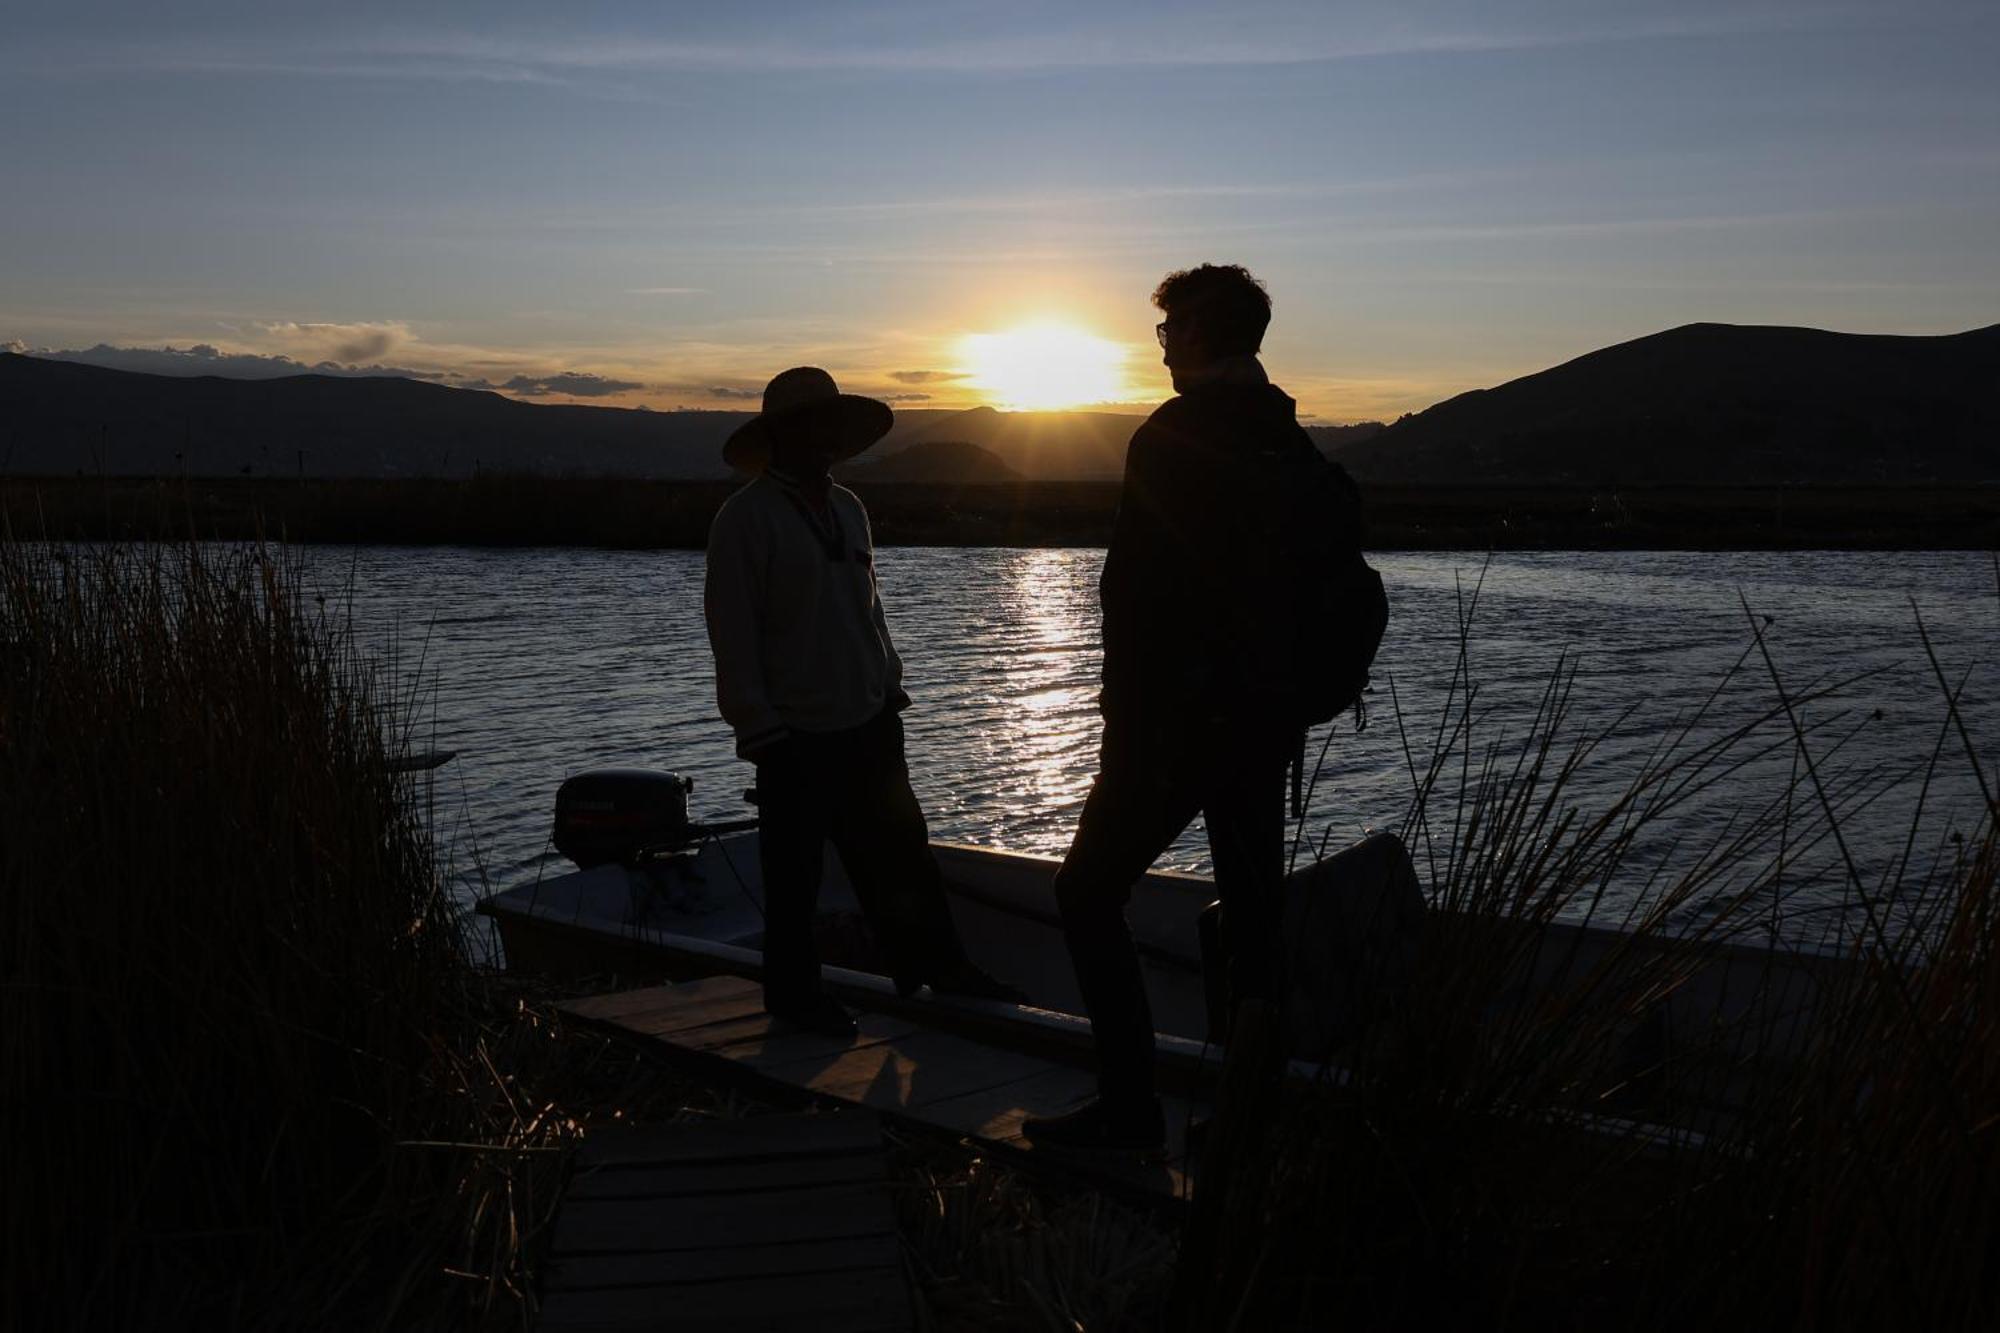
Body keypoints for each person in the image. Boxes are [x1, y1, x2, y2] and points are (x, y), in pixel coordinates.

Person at [1022, 264, 1307, 1154]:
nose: (1163, 346)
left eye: (1169, 329)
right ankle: (1250, 1119)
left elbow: (1139, 593)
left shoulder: (1173, 434)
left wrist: (1123, 722)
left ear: (1198, 335)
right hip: (1266, 721)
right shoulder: (1286, 431)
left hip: (1178, 724)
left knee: (1085, 890)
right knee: (1255, 914)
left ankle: (1130, 1107)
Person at [704, 366, 1021, 1038]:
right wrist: (757, 725)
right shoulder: (744, 520)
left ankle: (938, 970)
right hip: (791, 732)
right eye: (811, 426)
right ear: (783, 435)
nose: (825, 440)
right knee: (795, 876)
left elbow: (868, 611)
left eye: (831, 427)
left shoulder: (848, 507)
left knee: (905, 854)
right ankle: (793, 998)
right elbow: (732, 634)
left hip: (871, 716)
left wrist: (890, 683)